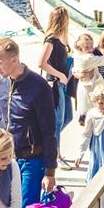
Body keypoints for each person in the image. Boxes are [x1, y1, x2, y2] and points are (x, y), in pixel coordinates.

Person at [0, 37, 56, 208]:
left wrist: (50, 172)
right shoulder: (1, 80)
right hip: (7, 158)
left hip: (32, 161)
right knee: (4, 207)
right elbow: (2, 116)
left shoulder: (39, 87)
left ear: (14, 60)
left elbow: (50, 132)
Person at [37, 8, 72, 137]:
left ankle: (50, 142)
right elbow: (41, 63)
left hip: (64, 83)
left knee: (68, 117)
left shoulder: (62, 38)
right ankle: (55, 153)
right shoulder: (51, 40)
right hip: (55, 83)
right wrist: (61, 75)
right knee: (58, 121)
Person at [69, 32, 104, 125]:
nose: (91, 48)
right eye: (87, 47)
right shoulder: (88, 58)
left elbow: (74, 67)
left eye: (91, 45)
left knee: (87, 108)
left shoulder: (78, 55)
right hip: (91, 86)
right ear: (80, 48)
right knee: (94, 108)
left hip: (84, 86)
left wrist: (75, 71)